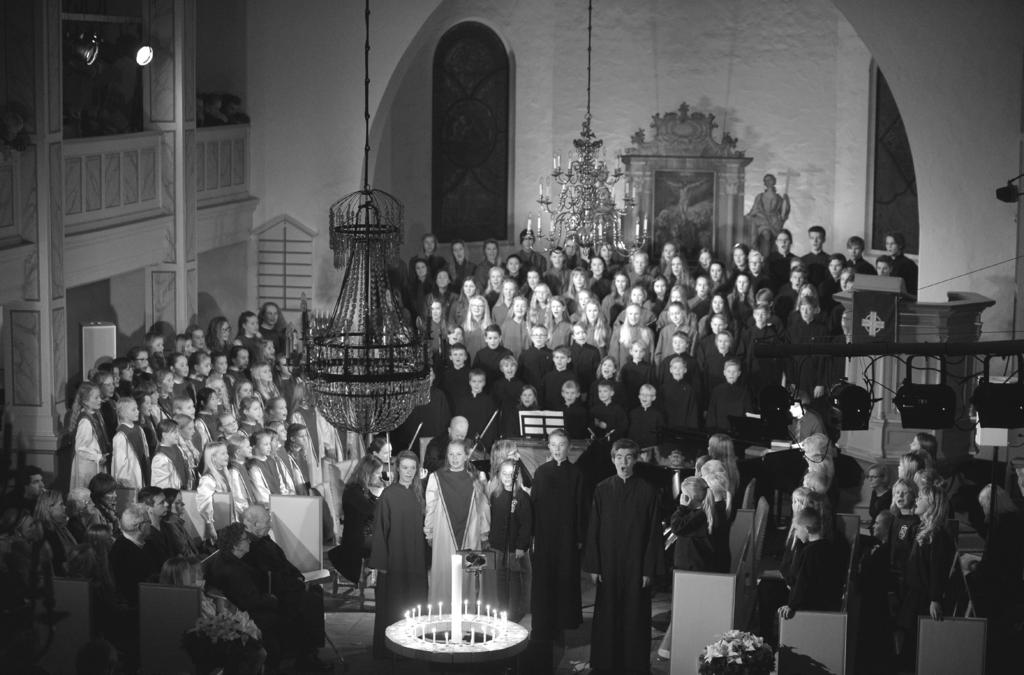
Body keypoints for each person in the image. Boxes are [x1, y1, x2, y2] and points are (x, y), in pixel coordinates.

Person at [584, 439, 661, 675]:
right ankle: (604, 661)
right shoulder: (602, 489)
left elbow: (653, 535)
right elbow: (593, 529)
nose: (623, 462)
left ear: (636, 460)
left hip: (636, 566)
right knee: (607, 613)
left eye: (628, 457)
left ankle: (634, 663)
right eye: (619, 457)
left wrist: (648, 569)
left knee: (635, 615)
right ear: (612, 459)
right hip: (608, 563)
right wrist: (594, 565)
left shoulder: (648, 491)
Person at [241, 505, 331, 671]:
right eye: (267, 521)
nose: (270, 524)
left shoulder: (264, 539)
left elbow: (283, 562)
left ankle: (310, 651)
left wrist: (298, 576)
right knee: (309, 600)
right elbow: (269, 577)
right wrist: (297, 583)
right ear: (254, 524)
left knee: (315, 592)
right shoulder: (253, 546)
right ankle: (305, 656)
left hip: (283, 584)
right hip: (274, 592)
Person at [368, 450, 428, 659]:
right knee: (394, 604)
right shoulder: (388, 495)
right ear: (397, 469)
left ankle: (414, 646)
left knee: (415, 601)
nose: (409, 472)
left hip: (416, 559)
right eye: (405, 468)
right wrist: (381, 563)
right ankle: (390, 650)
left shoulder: (419, 494)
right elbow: (380, 531)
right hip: (394, 559)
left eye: (412, 468)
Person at [531, 429, 585, 643]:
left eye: (561, 444)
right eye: (553, 444)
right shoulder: (541, 472)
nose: (557, 449)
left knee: (564, 578)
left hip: (567, 537)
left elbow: (581, 507)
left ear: (568, 446)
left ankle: (563, 622)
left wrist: (580, 536)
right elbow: (534, 504)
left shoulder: (577, 474)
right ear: (549, 447)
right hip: (544, 536)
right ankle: (543, 622)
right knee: (544, 579)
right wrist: (532, 535)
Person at [424, 440, 490, 605]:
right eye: (451, 454)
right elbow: (430, 507)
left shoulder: (477, 477)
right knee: (444, 572)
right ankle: (443, 614)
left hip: (472, 533)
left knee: (471, 574)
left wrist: (484, 532)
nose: (454, 458)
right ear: (447, 455)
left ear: (466, 456)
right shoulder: (435, 477)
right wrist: (429, 531)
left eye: (459, 454)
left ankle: (469, 615)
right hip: (443, 533)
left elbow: (483, 507)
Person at [488, 458, 533, 622]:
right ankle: (502, 611)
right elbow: (492, 519)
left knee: (514, 583)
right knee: (500, 581)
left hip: (514, 549)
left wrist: (522, 546)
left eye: (511, 474)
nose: (507, 477)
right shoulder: (496, 495)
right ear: (499, 475)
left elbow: (526, 524)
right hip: (498, 547)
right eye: (504, 473)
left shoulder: (521, 498)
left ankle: (515, 614)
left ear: (517, 476)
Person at [329, 456, 383, 585]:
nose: (380, 477)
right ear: (367, 473)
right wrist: (382, 494)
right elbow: (371, 511)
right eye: (377, 473)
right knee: (388, 544)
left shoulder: (362, 489)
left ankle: (386, 581)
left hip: (365, 533)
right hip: (356, 540)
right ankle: (384, 582)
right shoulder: (353, 491)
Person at [69, 382, 108, 490]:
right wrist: (98, 457)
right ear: (85, 401)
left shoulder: (96, 415)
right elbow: (80, 448)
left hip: (95, 463)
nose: (100, 400)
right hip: (87, 466)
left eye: (100, 397)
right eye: (96, 398)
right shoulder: (85, 421)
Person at [746, 173, 791, 257]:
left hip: (774, 222)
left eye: (769, 180)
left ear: (774, 181)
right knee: (764, 232)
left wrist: (786, 201)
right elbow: (755, 209)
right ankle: (760, 254)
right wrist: (749, 215)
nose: (767, 182)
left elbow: (783, 213)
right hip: (762, 219)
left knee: (769, 235)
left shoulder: (778, 198)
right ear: (764, 183)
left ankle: (768, 258)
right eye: (766, 180)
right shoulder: (760, 196)